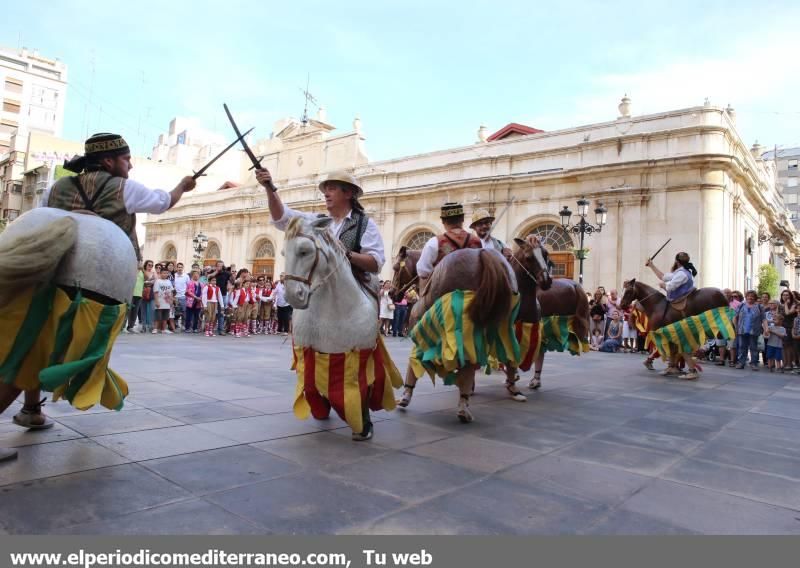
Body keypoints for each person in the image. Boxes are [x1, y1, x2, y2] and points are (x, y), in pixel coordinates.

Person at [0, 132, 195, 461]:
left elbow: (41, 221)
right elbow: (162, 202)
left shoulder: (56, 188)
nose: (130, 165)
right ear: (108, 161)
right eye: (125, 159)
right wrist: (182, 187)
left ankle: (32, 409)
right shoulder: (124, 188)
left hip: (45, 272)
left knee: (34, 337)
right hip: (90, 281)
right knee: (37, 351)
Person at [397, 202, 483, 409]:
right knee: (468, 353)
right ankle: (463, 402)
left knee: (420, 346)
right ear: (463, 220)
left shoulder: (436, 243)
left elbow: (423, 270)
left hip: (441, 307)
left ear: (443, 222)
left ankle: (408, 392)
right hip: (470, 307)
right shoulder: (477, 242)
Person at [734, 290, 765, 370]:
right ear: (746, 297)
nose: (750, 297)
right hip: (742, 330)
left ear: (755, 298)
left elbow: (764, 319)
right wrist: (736, 327)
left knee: (754, 347)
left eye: (752, 296)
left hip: (754, 330)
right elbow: (735, 317)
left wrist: (766, 329)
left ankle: (754, 364)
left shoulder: (759, 307)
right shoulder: (741, 305)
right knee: (741, 347)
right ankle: (741, 363)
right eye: (749, 296)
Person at [153, 267, 175, 334]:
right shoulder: (158, 281)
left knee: (165, 317)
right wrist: (156, 301)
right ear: (160, 273)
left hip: (167, 302)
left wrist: (171, 300)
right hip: (160, 301)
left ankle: (163, 329)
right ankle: (155, 329)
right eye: (163, 273)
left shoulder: (168, 281)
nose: (165, 274)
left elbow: (171, 291)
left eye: (166, 273)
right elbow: (155, 292)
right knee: (158, 316)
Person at [173, 262, 190, 331]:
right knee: (176, 312)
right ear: (176, 268)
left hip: (183, 297)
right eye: (178, 267)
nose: (180, 268)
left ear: (183, 268)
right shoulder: (174, 275)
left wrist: (186, 294)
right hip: (175, 297)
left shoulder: (186, 276)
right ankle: (176, 324)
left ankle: (183, 325)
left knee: (184, 311)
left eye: (181, 267)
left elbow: (188, 286)